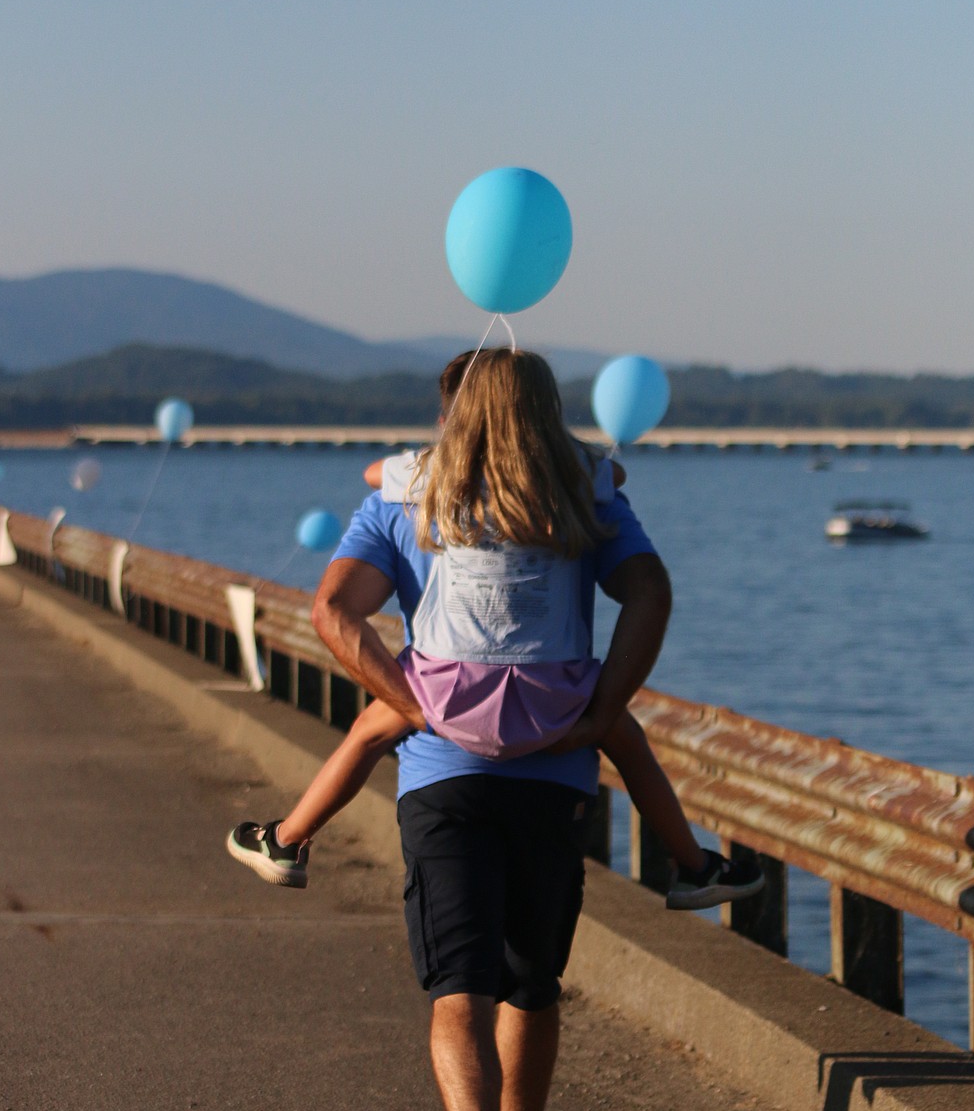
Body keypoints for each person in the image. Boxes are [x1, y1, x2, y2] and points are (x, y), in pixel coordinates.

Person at [233, 349, 761, 1111]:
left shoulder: (403, 497)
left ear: (448, 412)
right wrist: (604, 707)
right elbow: (651, 590)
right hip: (553, 771)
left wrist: (408, 699)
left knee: (456, 987)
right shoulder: (582, 494)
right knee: (530, 980)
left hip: (442, 770)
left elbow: (330, 611)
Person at [228, 355, 761, 918]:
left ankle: (289, 839)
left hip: (446, 702)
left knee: (369, 728)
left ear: (455, 414)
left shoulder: (428, 480)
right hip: (556, 706)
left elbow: (368, 485)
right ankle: (692, 866)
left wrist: (430, 459)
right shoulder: (574, 483)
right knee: (624, 737)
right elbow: (622, 494)